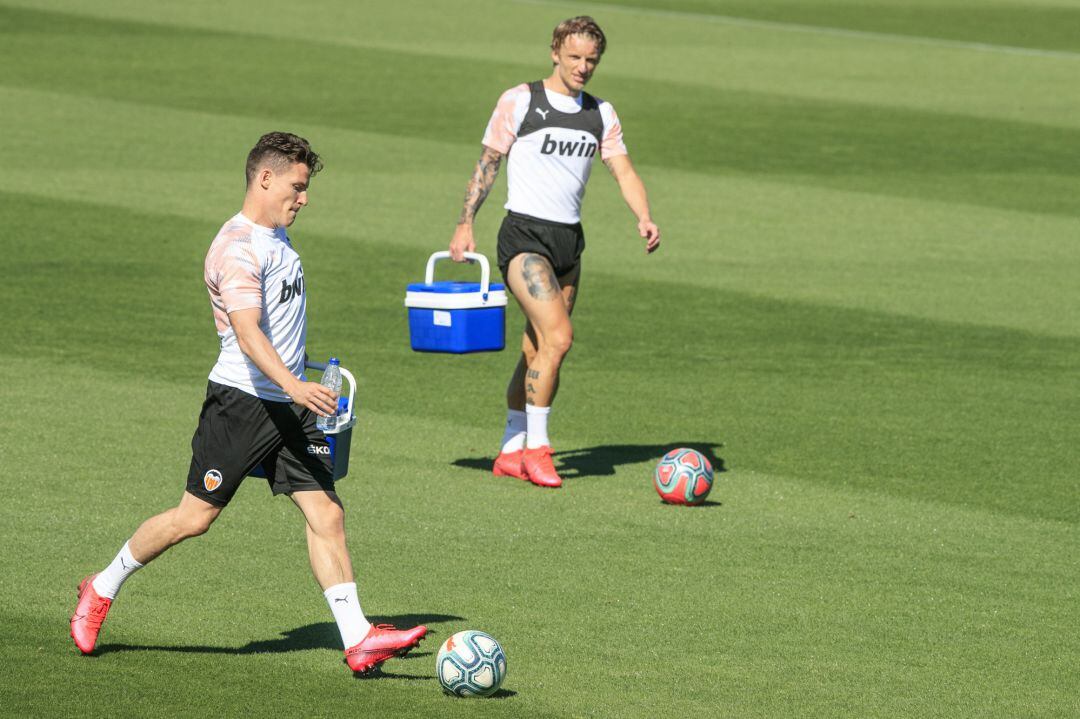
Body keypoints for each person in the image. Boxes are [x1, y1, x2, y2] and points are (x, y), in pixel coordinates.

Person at [70, 132, 426, 674]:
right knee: (194, 518)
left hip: (287, 402)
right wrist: (295, 385)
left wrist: (302, 384)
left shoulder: (278, 237)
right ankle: (100, 586)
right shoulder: (235, 247)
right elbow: (247, 334)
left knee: (326, 512)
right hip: (242, 404)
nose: (303, 198)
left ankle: (358, 638)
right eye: (297, 186)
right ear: (265, 178)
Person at [449, 16, 661, 488]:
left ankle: (509, 448)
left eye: (591, 60)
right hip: (524, 238)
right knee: (560, 338)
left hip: (569, 243)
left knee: (541, 350)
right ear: (554, 53)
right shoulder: (521, 100)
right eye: (574, 58)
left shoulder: (600, 113)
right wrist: (466, 223)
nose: (583, 67)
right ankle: (538, 451)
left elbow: (623, 171)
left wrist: (643, 216)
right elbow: (488, 164)